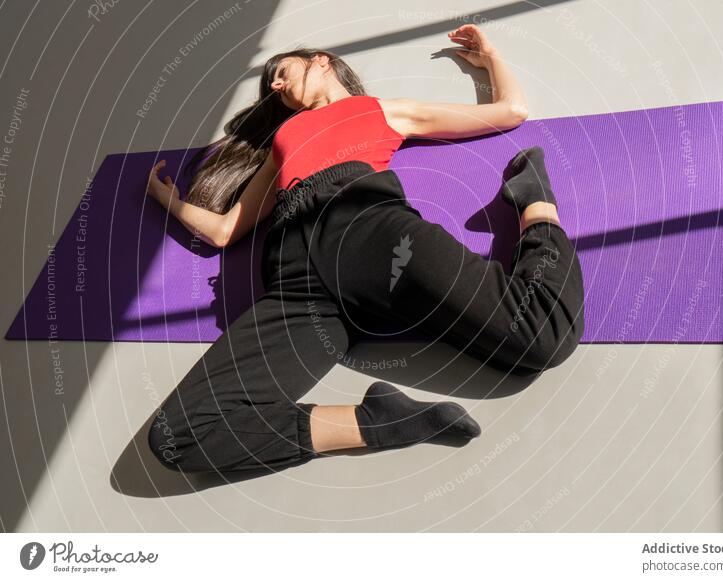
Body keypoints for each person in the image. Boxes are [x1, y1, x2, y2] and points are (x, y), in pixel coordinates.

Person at [145, 24, 584, 473]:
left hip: (373, 237)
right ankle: (378, 422)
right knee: (176, 437)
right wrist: (171, 202)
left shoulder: (378, 111)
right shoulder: (284, 140)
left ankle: (535, 202)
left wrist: (490, 57)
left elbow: (510, 110)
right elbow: (224, 231)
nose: (276, 84)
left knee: (542, 336)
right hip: (297, 284)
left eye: (283, 71)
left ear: (322, 60)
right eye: (272, 84)